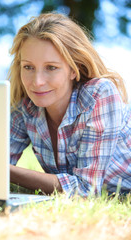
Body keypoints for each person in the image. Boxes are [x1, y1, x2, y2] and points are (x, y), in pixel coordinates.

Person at [9, 12, 131, 197]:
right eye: (28, 67)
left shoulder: (99, 94)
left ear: (73, 69)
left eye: (51, 67)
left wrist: (7, 172)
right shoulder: (26, 108)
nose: (37, 81)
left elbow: (85, 191)